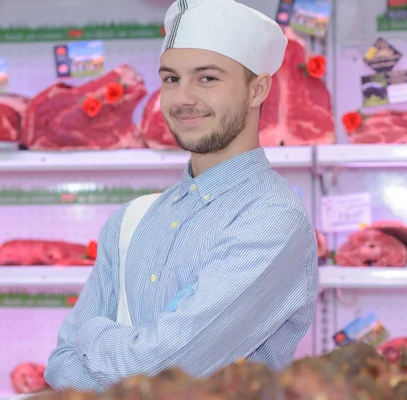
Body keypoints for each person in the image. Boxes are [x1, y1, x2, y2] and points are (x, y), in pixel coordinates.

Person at [43, 0, 319, 393]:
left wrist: (93, 334)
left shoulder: (272, 218)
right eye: (171, 79)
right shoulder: (131, 220)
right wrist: (126, 360)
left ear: (257, 89)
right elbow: (60, 368)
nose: (182, 98)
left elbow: (160, 372)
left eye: (207, 78)